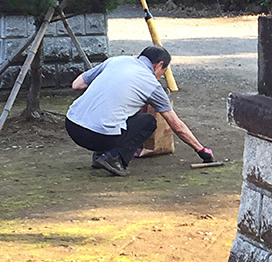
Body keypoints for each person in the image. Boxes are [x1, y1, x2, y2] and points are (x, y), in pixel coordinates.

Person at [65, 45, 214, 177]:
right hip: (99, 136)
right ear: (159, 65)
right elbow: (177, 126)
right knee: (148, 122)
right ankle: (114, 158)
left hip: (72, 124)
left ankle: (100, 155)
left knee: (120, 114)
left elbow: (77, 84)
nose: (160, 76)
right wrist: (201, 149)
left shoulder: (115, 61)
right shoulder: (152, 84)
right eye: (163, 72)